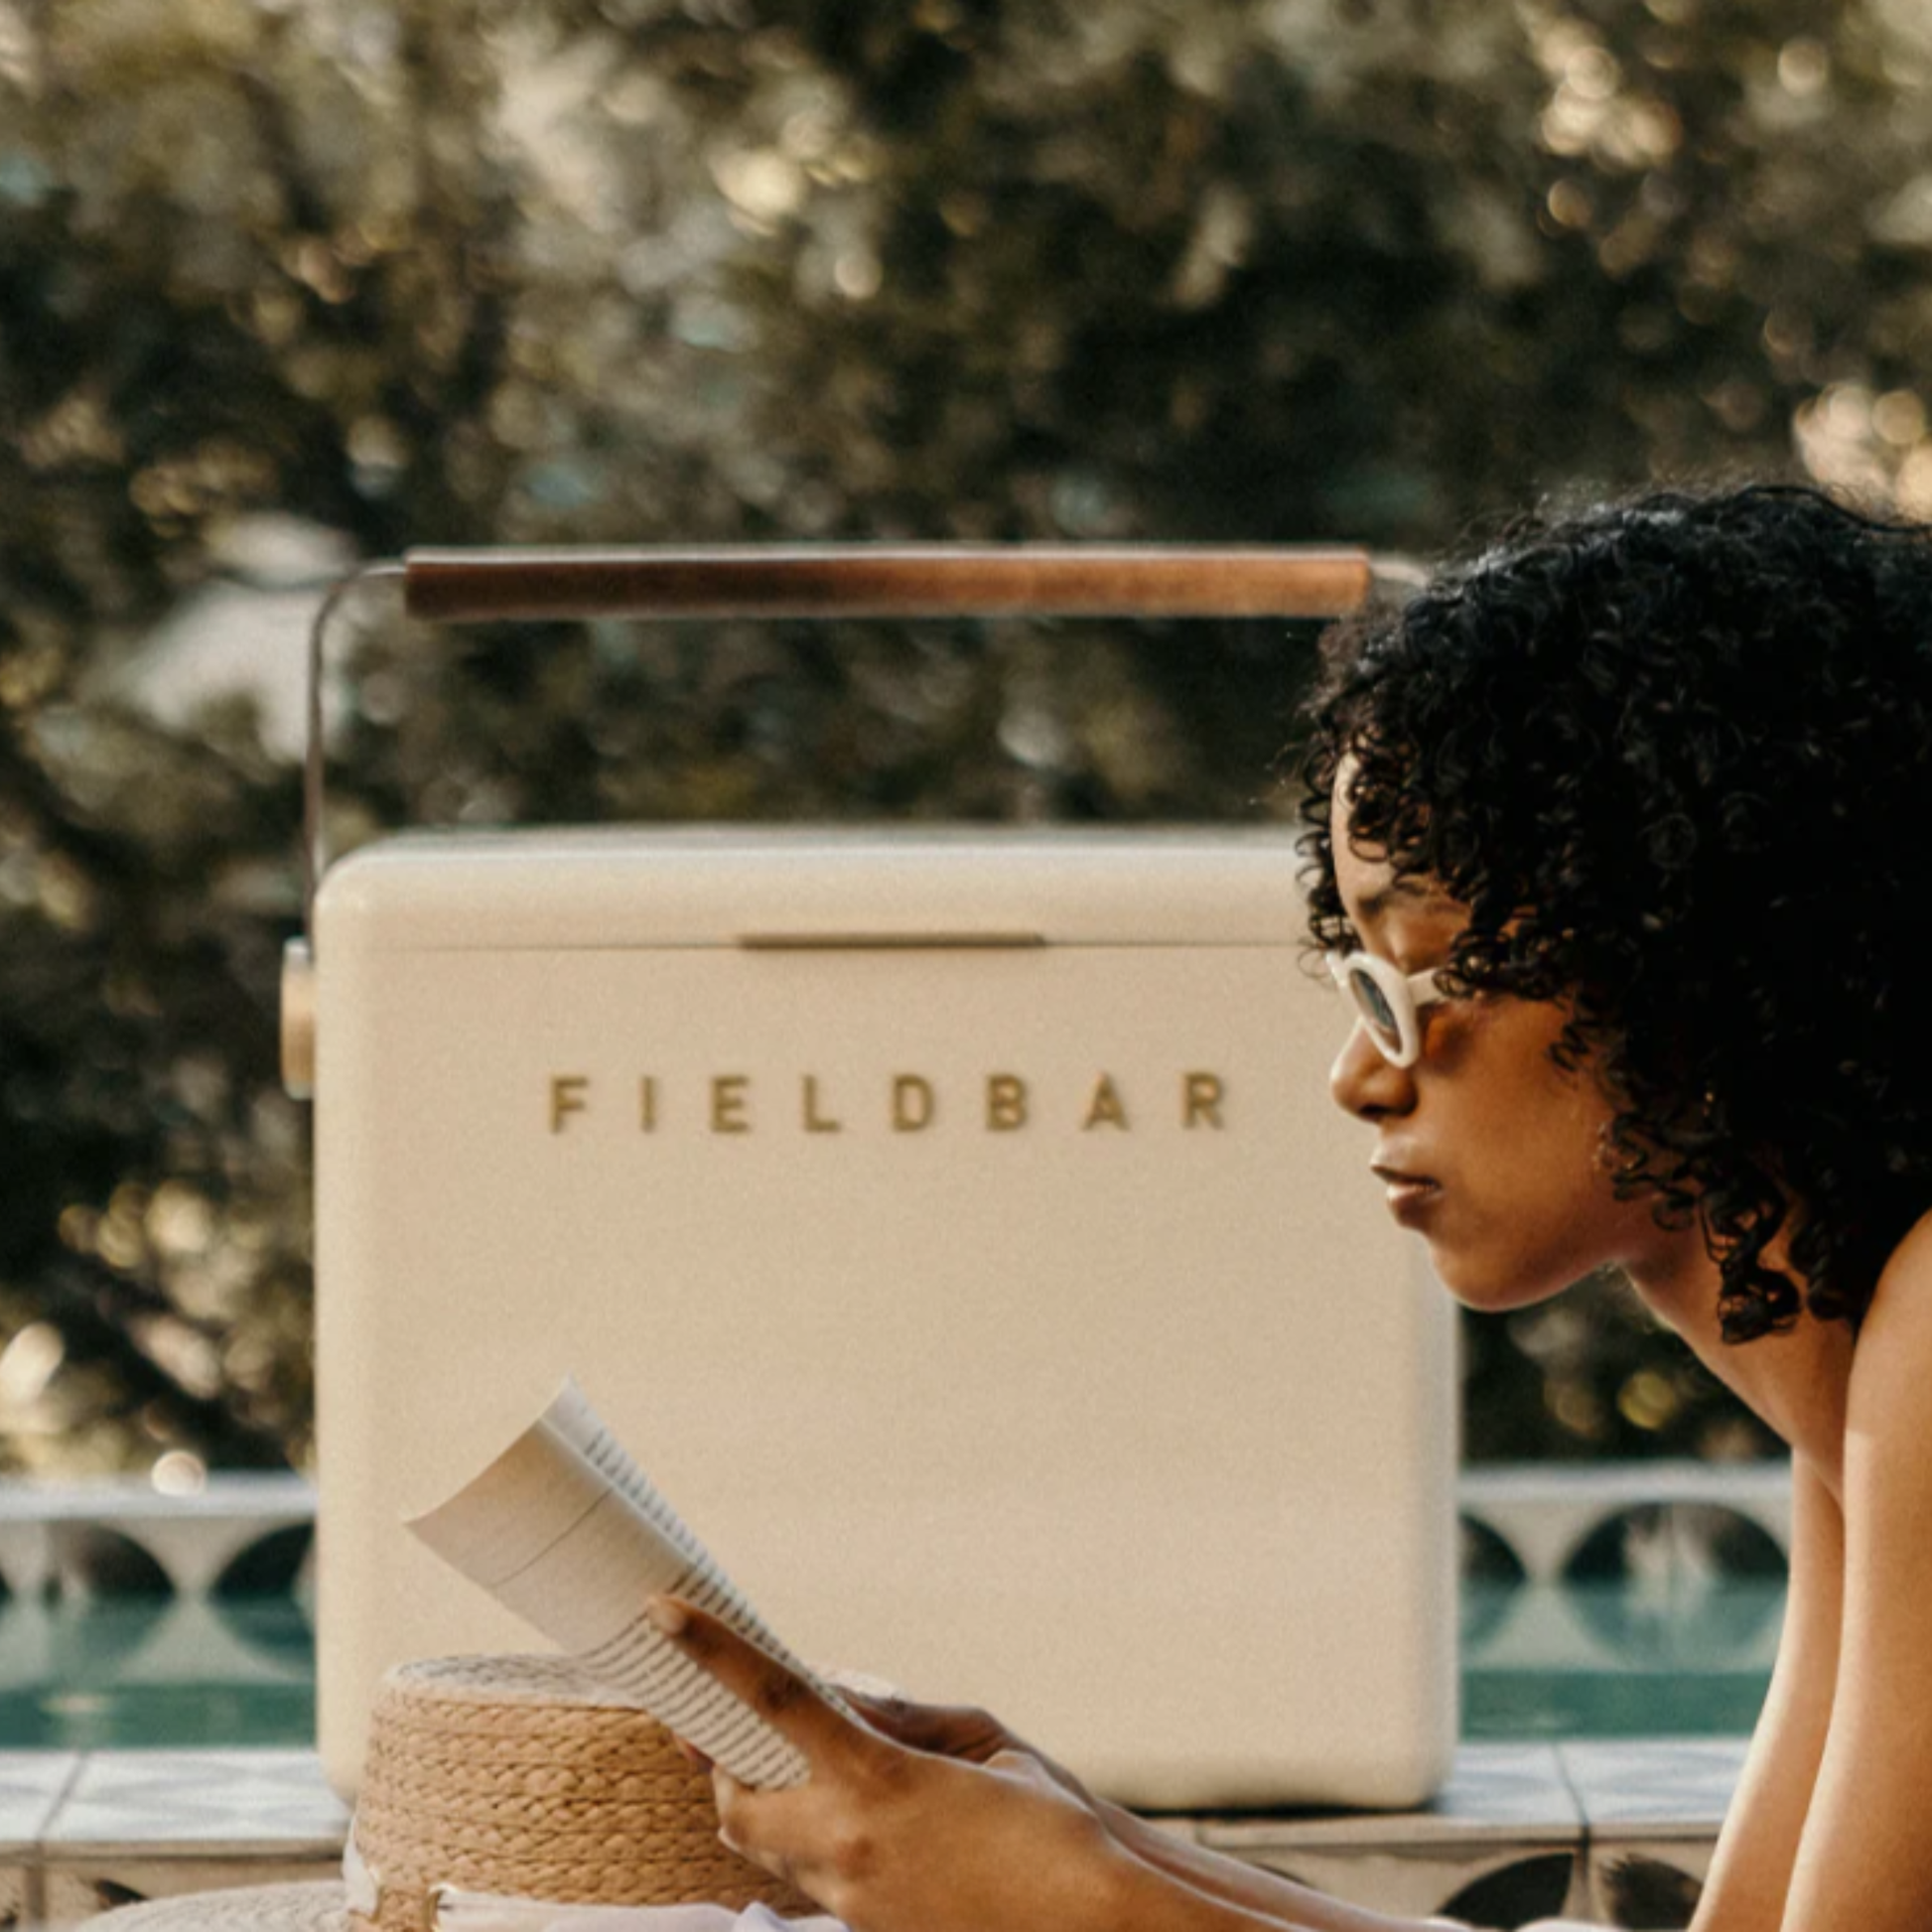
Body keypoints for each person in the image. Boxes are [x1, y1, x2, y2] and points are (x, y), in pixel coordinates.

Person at [646, 481, 1932, 1932]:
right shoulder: (1855, 1410)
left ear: (1685, 948)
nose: (1355, 1078)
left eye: (1410, 981)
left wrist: (1088, 1910)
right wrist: (1102, 1848)